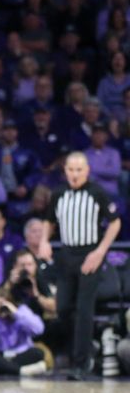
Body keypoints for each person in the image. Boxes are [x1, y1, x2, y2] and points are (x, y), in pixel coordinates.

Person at [39, 152, 121, 380]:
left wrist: (99, 252)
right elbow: (48, 220)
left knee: (85, 310)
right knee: (63, 308)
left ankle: (81, 364)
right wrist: (45, 241)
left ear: (87, 171)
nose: (74, 174)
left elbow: (115, 223)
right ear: (65, 171)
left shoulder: (97, 193)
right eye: (70, 170)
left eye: (79, 170)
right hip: (67, 254)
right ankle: (86, 348)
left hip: (90, 255)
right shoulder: (58, 193)